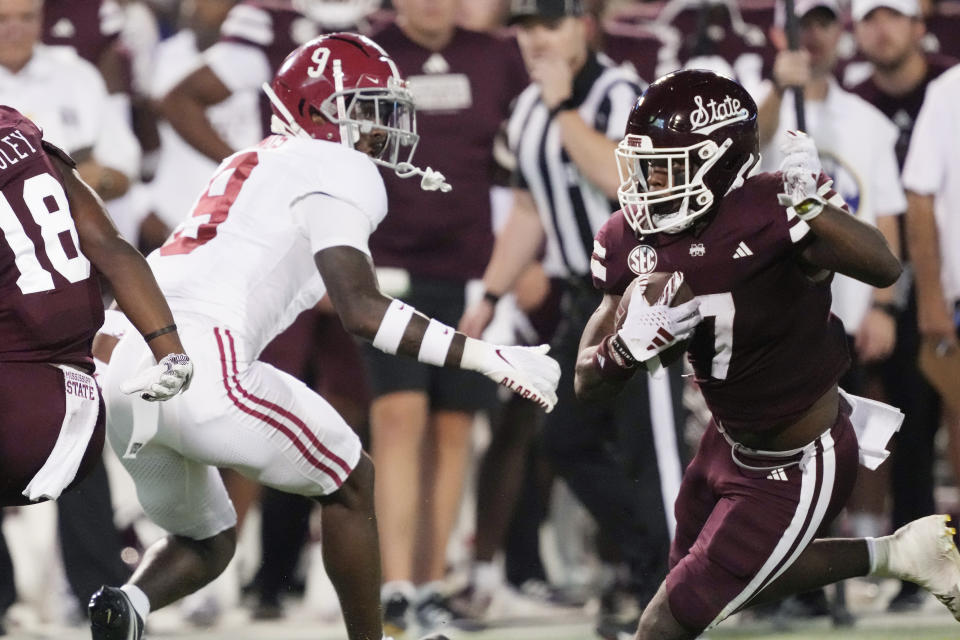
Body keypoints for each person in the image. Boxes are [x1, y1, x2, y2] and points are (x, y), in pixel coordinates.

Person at [87, 33, 560, 640]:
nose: (378, 124)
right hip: (200, 358)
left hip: (125, 364)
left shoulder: (248, 162)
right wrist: (488, 357)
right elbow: (361, 310)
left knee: (207, 537)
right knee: (350, 479)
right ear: (316, 109)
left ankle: (125, 606)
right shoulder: (335, 164)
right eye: (364, 106)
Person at [574, 67, 960, 640]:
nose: (648, 181)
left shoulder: (776, 208)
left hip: (801, 456)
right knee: (695, 587)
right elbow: (586, 381)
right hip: (722, 442)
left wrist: (816, 213)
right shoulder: (629, 238)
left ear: (721, 161)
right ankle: (901, 555)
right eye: (644, 164)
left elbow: (884, 266)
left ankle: (897, 556)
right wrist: (623, 351)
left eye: (665, 166)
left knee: (668, 618)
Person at [459, 2, 687, 638]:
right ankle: (656, 572)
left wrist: (564, 108)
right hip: (579, 301)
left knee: (656, 451)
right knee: (564, 440)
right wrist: (490, 293)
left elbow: (627, 182)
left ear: (583, 25)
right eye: (526, 26)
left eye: (551, 24)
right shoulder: (529, 109)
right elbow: (530, 210)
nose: (537, 40)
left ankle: (678, 599)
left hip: (645, 293)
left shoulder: (624, 94)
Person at [361, 0, 528, 632]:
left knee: (455, 428)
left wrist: (523, 250)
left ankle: (431, 586)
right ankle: (395, 587)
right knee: (399, 419)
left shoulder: (496, 56)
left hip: (472, 272)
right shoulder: (365, 54)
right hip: (387, 269)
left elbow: (521, 154)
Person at [0, 102, 191, 507]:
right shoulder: (20, 130)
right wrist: (171, 353)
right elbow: (110, 246)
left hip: (16, 409)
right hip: (83, 412)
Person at [848, 0, 957, 610]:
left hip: (944, 276)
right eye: (868, 17)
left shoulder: (948, 88)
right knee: (903, 424)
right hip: (884, 286)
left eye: (892, 15)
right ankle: (912, 559)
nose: (881, 28)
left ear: (920, 24)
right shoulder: (852, 102)